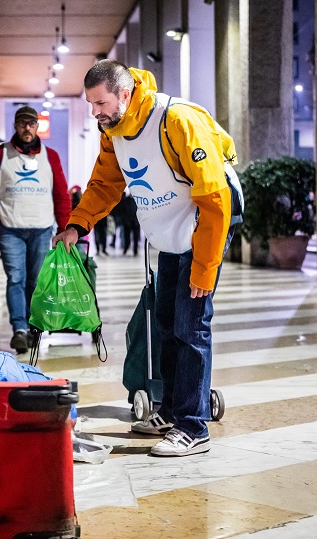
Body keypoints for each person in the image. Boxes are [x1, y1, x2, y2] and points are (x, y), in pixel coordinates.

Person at [52, 60, 242, 457]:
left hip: (201, 232)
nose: (95, 112)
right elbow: (105, 184)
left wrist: (205, 268)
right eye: (90, 104)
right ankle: (171, 410)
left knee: (191, 328)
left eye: (100, 102)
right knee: (167, 326)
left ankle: (194, 427)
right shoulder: (114, 131)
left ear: (124, 93)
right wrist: (78, 225)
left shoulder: (176, 119)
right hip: (170, 238)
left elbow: (214, 199)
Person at [0, 106, 72, 354]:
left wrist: (65, 227)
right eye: (22, 123)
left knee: (35, 281)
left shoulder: (51, 157)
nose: (27, 128)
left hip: (41, 229)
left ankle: (30, 325)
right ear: (15, 126)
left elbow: (61, 195)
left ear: (37, 127)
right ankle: (19, 329)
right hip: (10, 229)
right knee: (16, 278)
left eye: (31, 124)